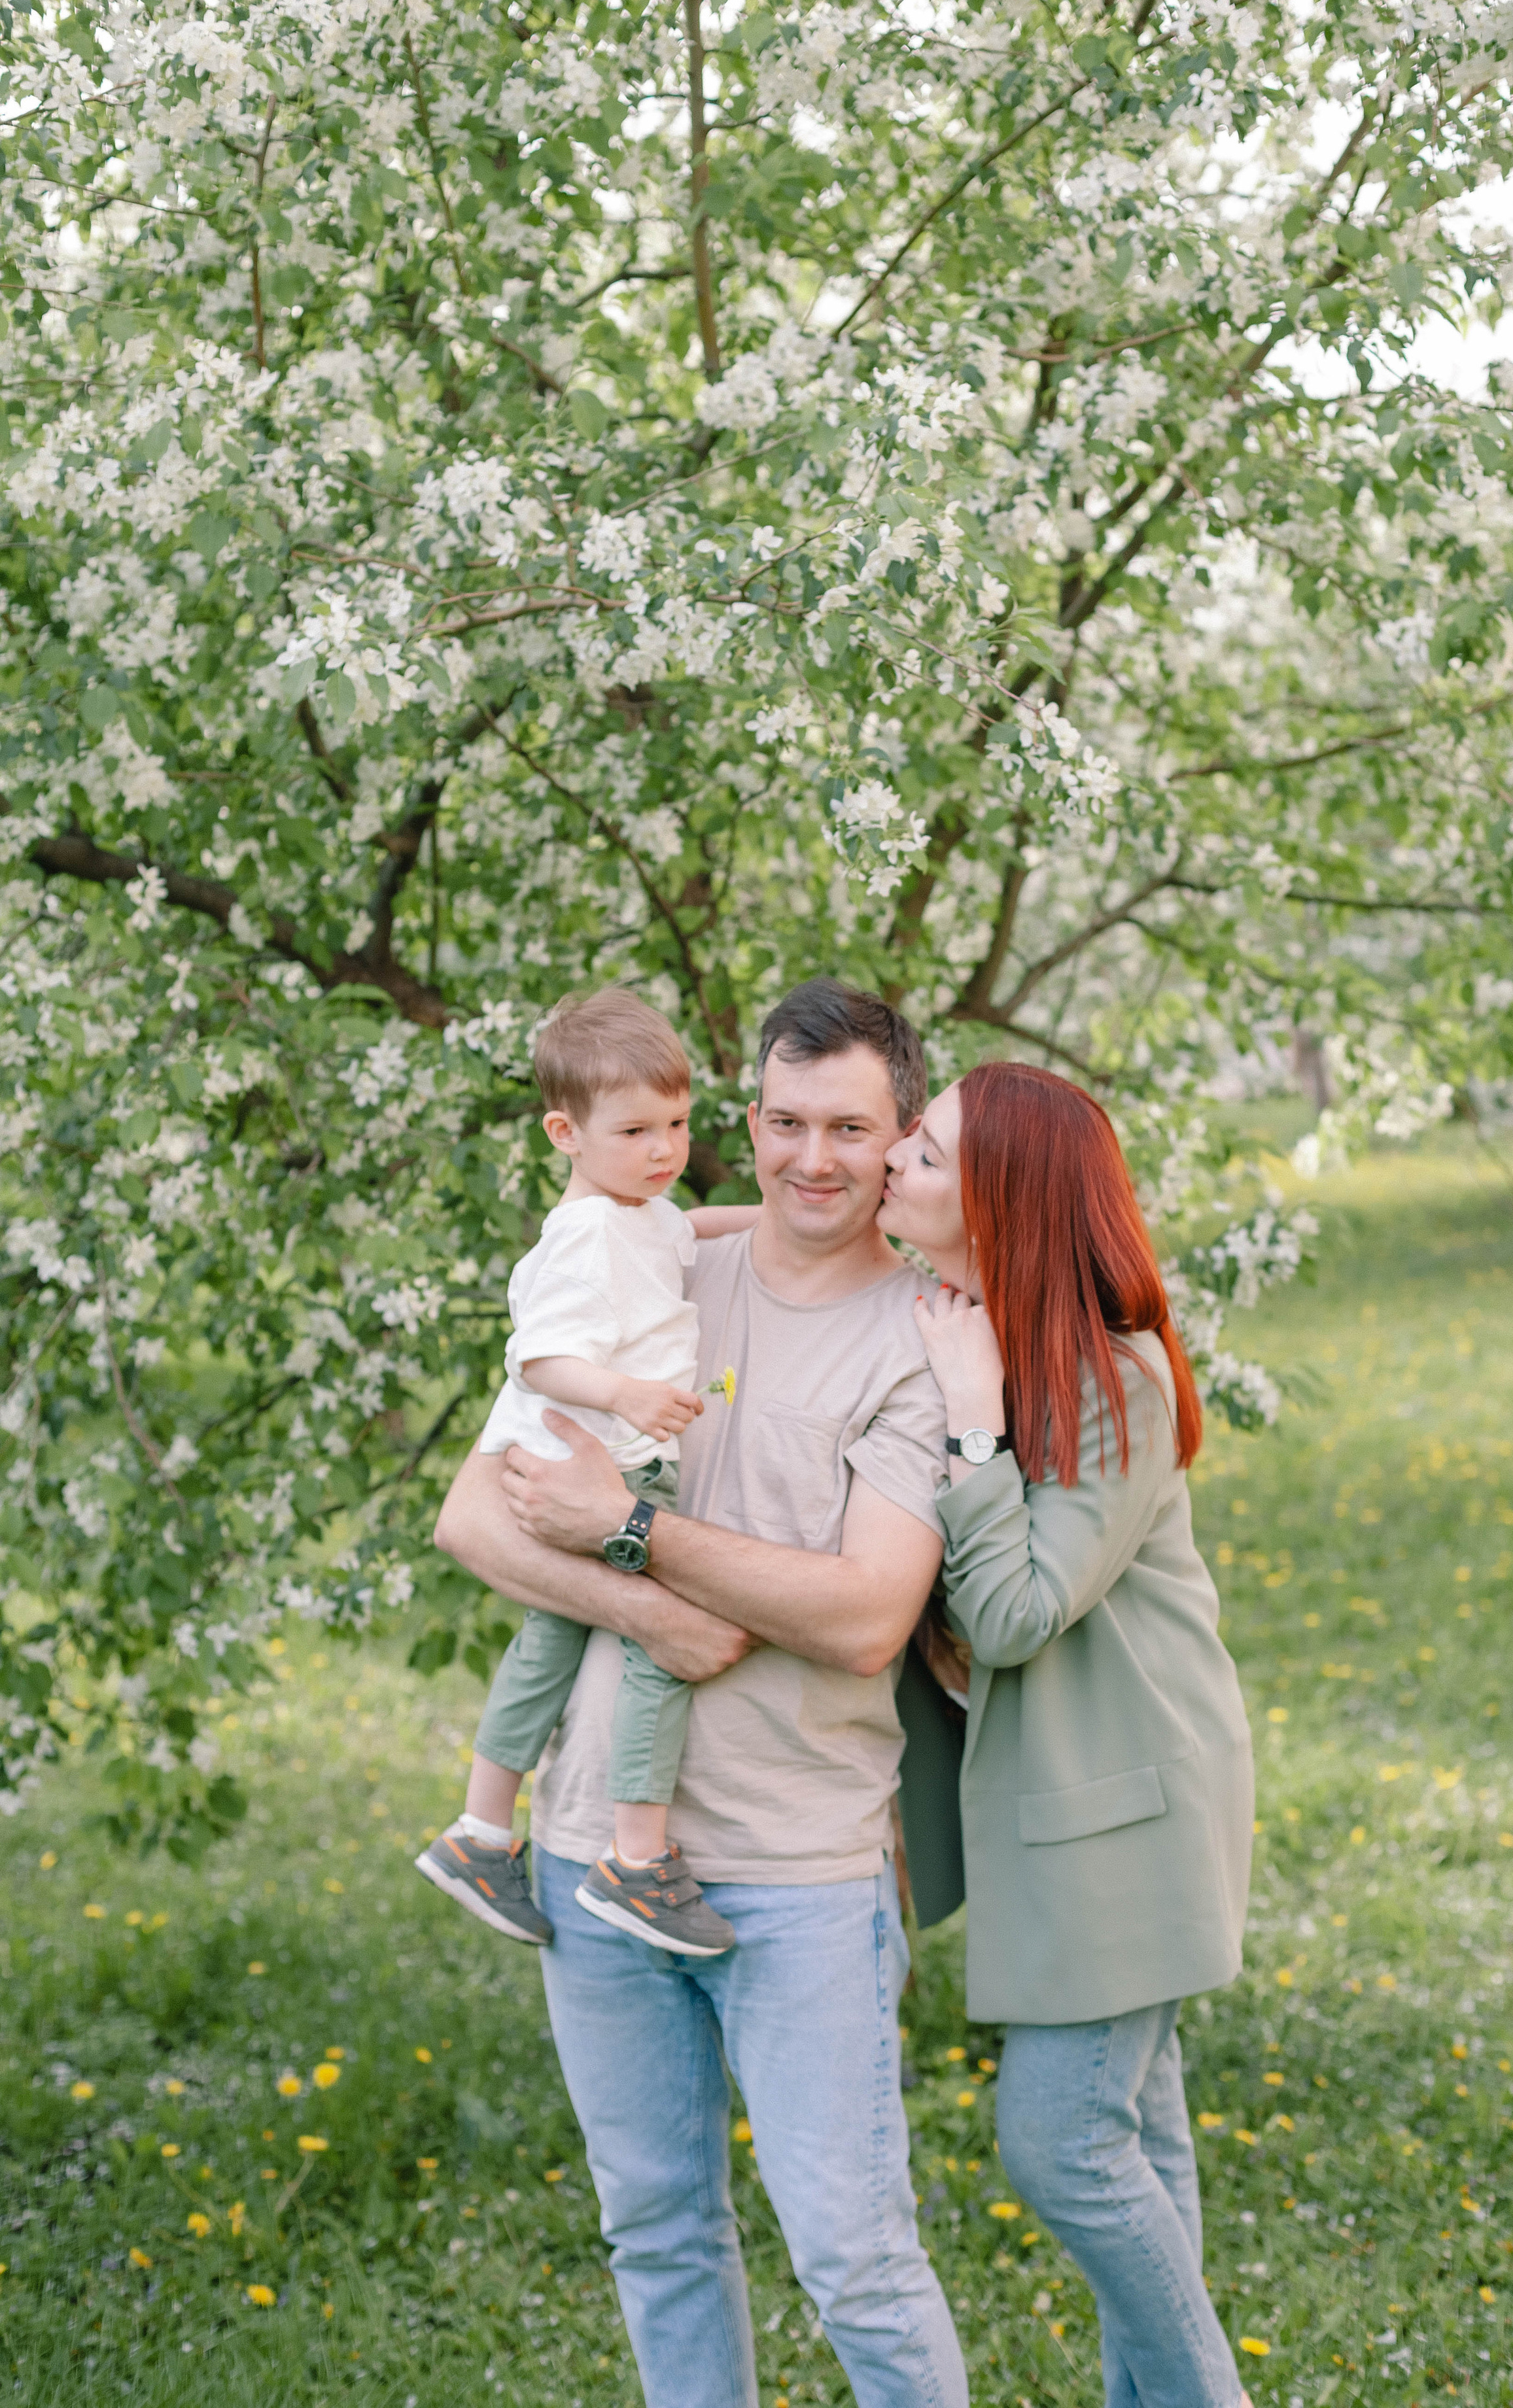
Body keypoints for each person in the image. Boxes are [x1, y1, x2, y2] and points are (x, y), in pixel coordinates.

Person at [433, 979, 967, 2408]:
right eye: (784, 1123)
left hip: (795, 1873)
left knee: (853, 2258)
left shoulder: (922, 1337)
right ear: (746, 1122)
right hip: (591, 1849)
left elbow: (864, 1619)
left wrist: (630, 1537)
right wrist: (643, 1610)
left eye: (849, 1130)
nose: (812, 1159)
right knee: (657, 2231)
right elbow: (473, 1519)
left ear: (899, 1135)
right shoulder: (651, 1271)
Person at [882, 1058, 1256, 2408]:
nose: (886, 1167)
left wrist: (974, 1427)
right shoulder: (963, 1310)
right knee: (1140, 2139)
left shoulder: (1110, 1375)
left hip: (1129, 1810)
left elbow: (1016, 1615)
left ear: (997, 1202)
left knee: (1060, 2145)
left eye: (920, 1155)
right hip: (1077, 1804)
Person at [415, 988, 756, 1957]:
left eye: (680, 1124)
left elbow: (697, 1230)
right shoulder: (586, 1232)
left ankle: (482, 1831)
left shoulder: (641, 1212)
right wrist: (631, 1393)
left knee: (550, 1642)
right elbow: (539, 1358)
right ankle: (635, 1859)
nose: (666, 1149)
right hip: (597, 1464)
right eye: (638, 1130)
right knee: (657, 1646)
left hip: (596, 1459)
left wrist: (781, 1218)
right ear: (565, 1132)